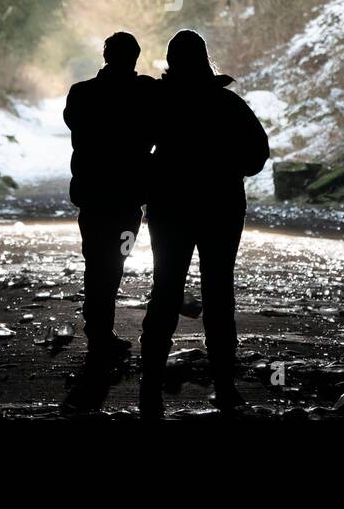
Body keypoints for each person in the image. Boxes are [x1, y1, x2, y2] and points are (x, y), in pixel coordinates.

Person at [139, 29, 269, 417]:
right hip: (221, 207)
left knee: (164, 289)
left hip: (170, 208)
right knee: (218, 292)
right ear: (205, 61)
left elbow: (132, 148)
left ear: (171, 63)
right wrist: (225, 166)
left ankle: (150, 387)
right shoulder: (228, 104)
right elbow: (257, 156)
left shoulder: (159, 102)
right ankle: (226, 387)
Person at [63, 31, 157, 360]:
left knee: (96, 261)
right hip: (128, 199)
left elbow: (74, 122)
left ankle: (98, 330)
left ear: (105, 55)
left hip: (92, 195)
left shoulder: (82, 93)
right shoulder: (145, 92)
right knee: (115, 262)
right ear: (135, 57)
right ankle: (101, 330)